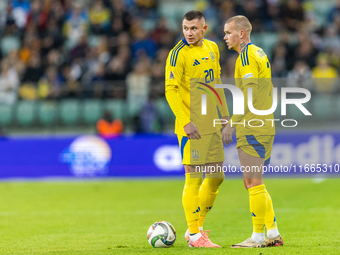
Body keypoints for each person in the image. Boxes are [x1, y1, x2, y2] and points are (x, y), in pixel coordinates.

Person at [165, 10, 229, 248]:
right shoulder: (177, 54)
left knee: (216, 177)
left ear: (204, 28)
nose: (188, 33)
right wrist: (184, 121)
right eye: (185, 28)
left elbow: (216, 84)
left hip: (210, 122)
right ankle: (193, 235)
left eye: (193, 29)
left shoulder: (213, 47)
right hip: (190, 126)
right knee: (194, 176)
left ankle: (198, 227)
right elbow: (170, 90)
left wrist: (224, 115)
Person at [222, 15, 284, 248]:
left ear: (242, 33)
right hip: (264, 125)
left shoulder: (247, 56)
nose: (225, 37)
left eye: (228, 32)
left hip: (253, 127)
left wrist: (232, 123)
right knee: (253, 183)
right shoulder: (259, 52)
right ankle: (273, 232)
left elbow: (247, 95)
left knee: (253, 181)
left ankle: (258, 237)